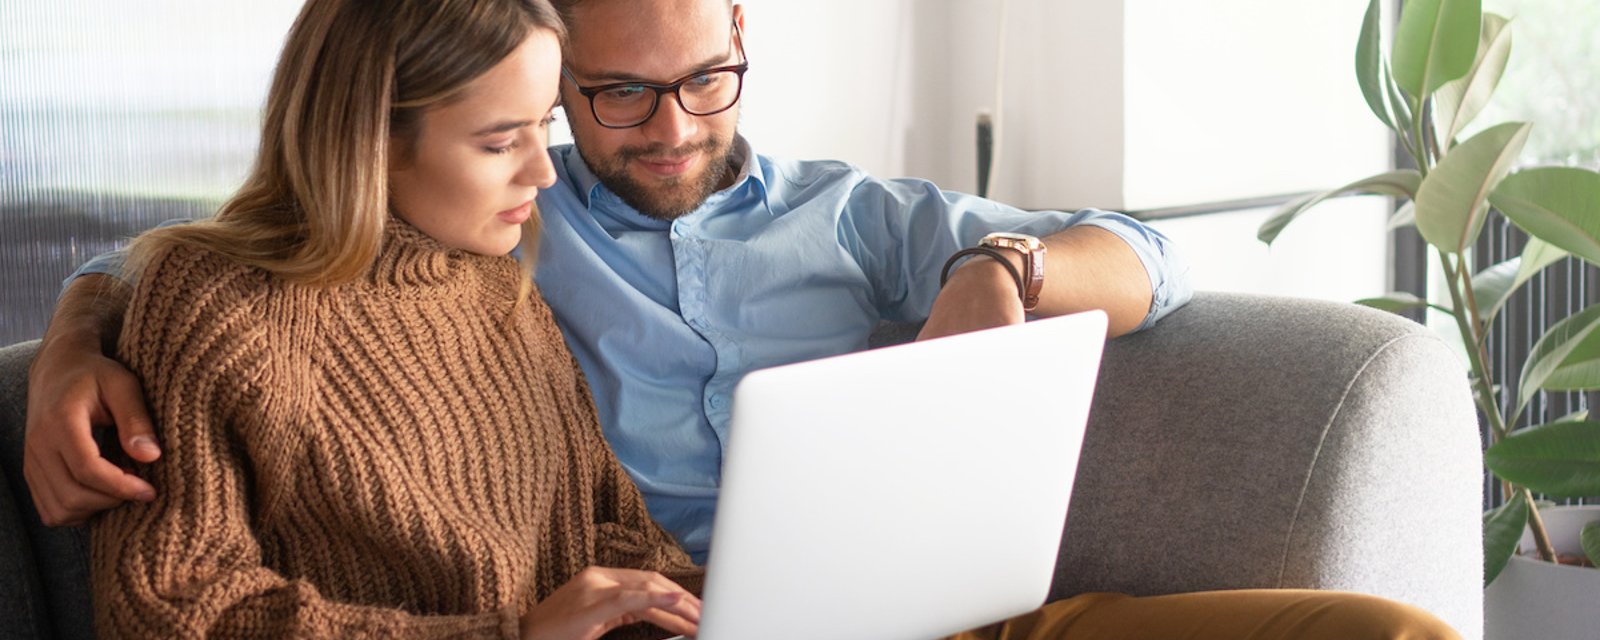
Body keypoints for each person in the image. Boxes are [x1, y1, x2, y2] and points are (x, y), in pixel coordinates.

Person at [27, 0, 1460, 637]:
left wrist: (1004, 271)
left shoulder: (845, 218)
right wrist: (83, 338)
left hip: (929, 612)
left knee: (1383, 633)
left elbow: (1145, 255)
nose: (660, 130)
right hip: (692, 624)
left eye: (706, 78)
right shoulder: (524, 241)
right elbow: (236, 270)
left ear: (743, 49)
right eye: (610, 99)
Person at [81, 0, 702, 637]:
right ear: (371, 138)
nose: (542, 171)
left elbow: (598, 528)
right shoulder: (220, 305)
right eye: (498, 142)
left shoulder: (494, 283)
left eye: (544, 123)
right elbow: (169, 609)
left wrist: (710, 598)